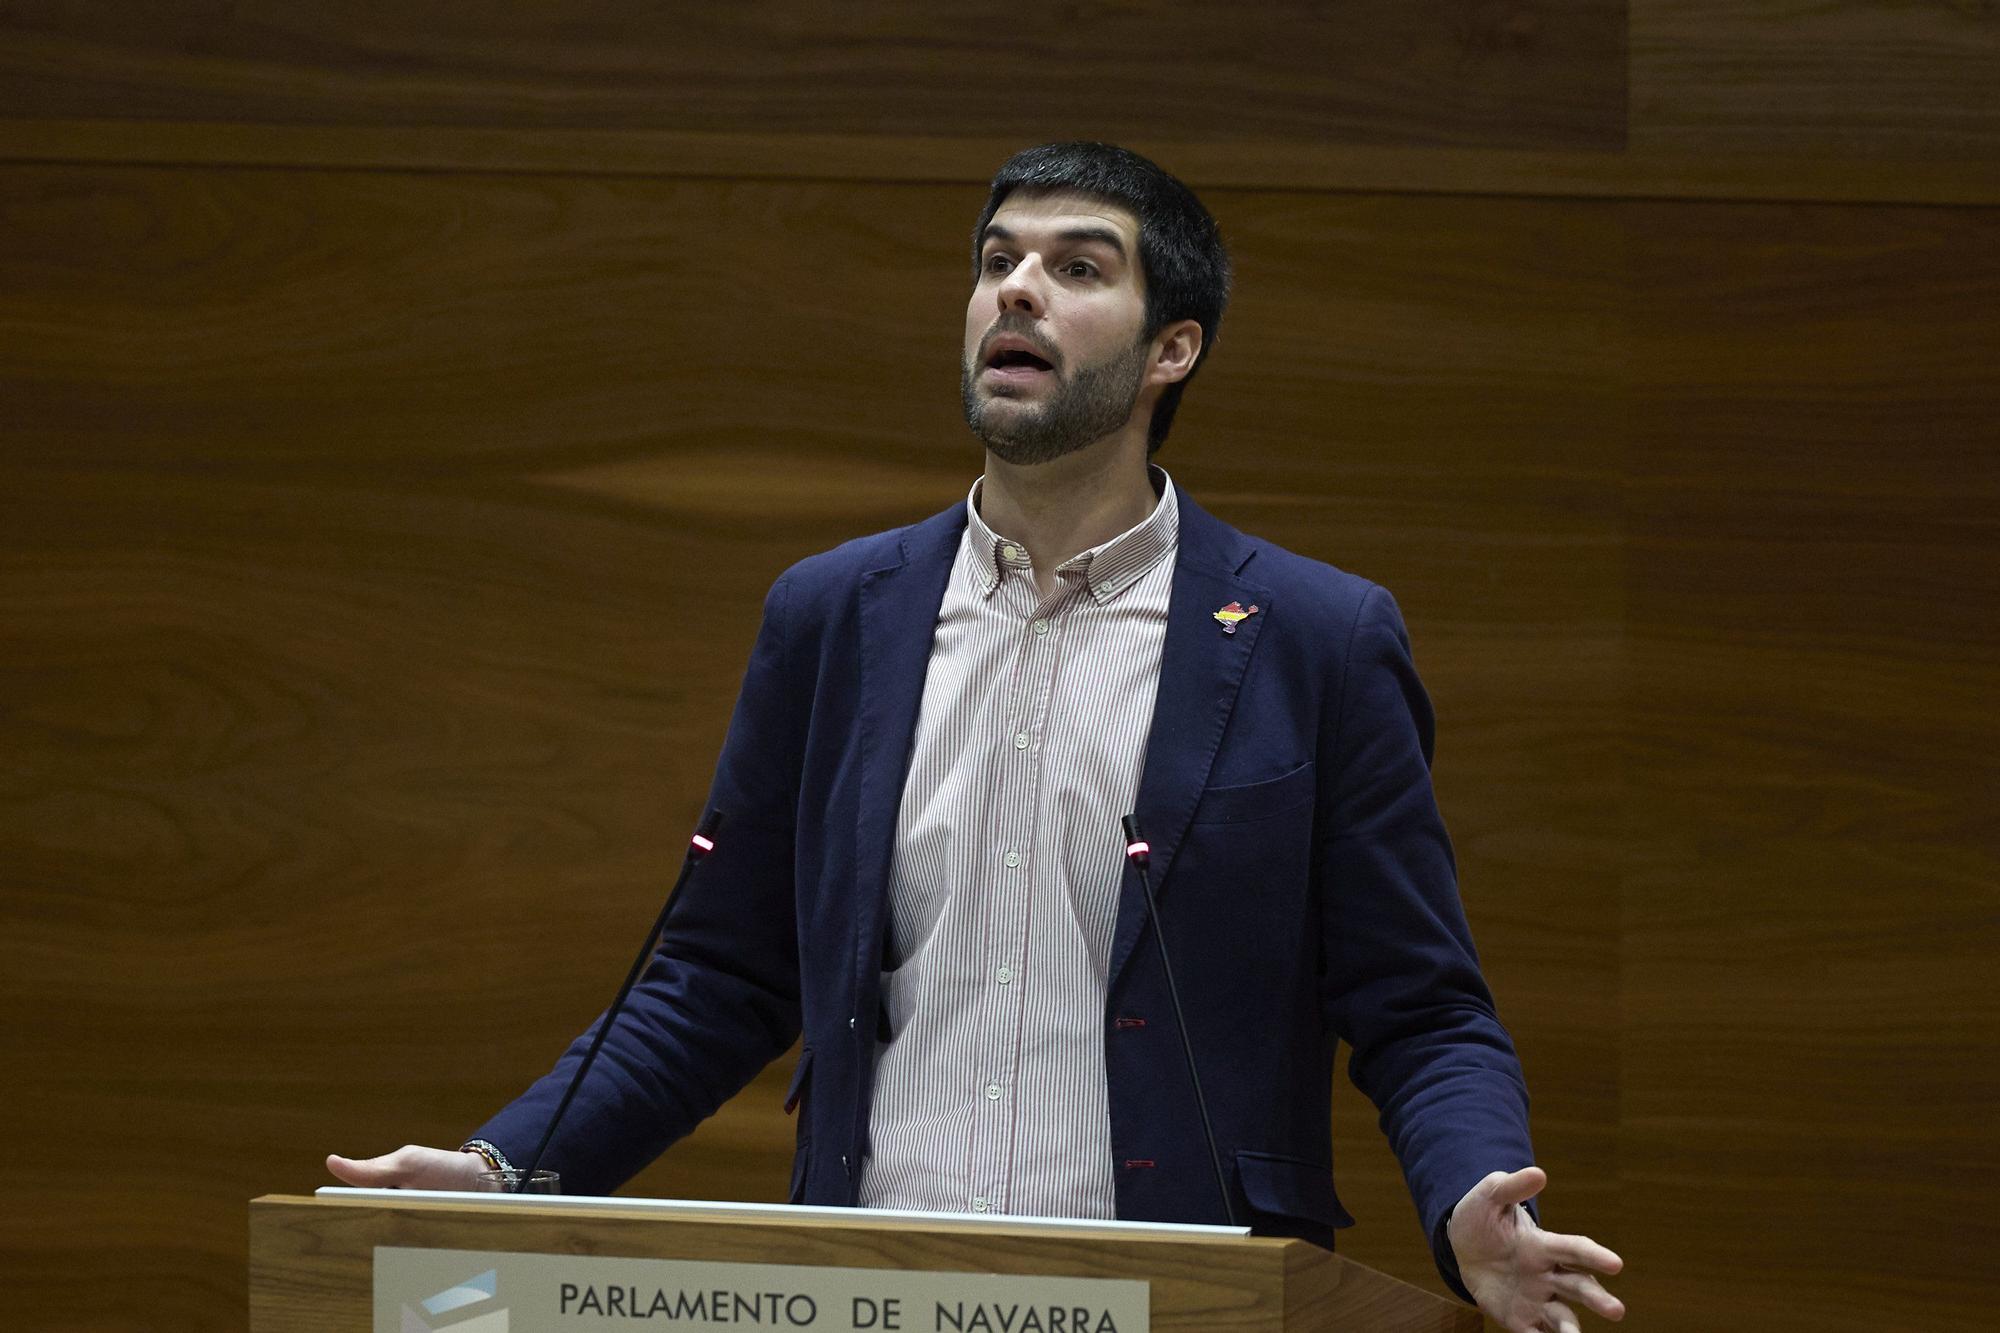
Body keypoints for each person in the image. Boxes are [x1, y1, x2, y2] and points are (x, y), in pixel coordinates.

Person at [330, 142, 1624, 1333]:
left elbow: (1419, 999)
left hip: (1182, 1291)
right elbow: (718, 977)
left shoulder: (1313, 635)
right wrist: (508, 1164)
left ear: (1172, 349)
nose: (1017, 291)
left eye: (1076, 268)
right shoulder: (838, 614)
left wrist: (1468, 1195)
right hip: (872, 1294)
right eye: (996, 261)